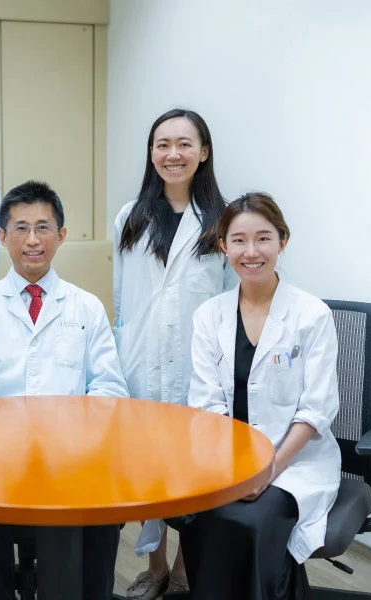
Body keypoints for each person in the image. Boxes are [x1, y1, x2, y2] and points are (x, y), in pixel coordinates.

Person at [0, 181, 129, 600]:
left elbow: (109, 389)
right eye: (20, 228)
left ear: (60, 236)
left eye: (43, 228)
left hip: (72, 456)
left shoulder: (86, 306)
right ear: (2, 237)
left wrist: (73, 438)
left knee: (98, 507)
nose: (32, 240)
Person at [174, 192, 341, 599]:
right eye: (239, 240)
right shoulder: (209, 316)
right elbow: (207, 404)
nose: (251, 252)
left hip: (294, 463)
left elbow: (316, 410)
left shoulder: (311, 315)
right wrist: (237, 469)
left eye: (263, 238)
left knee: (250, 521)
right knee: (199, 515)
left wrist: (267, 470)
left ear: (282, 241)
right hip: (226, 460)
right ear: (223, 246)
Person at [114, 108, 236, 598]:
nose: (173, 154)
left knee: (193, 472)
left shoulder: (224, 220)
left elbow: (231, 301)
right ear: (151, 153)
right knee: (147, 469)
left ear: (203, 152)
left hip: (198, 366)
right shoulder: (130, 216)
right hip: (140, 359)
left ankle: (186, 569)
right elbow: (123, 299)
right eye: (162, 144)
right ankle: (156, 564)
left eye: (185, 144)